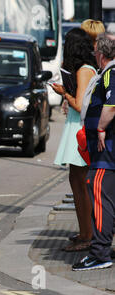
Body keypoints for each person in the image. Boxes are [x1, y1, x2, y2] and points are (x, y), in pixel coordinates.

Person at [50, 28, 97, 251]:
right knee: (75, 181)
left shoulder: (84, 71)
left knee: (81, 183)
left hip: (80, 128)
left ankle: (88, 235)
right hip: (76, 126)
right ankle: (84, 231)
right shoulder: (84, 69)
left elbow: (79, 105)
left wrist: (63, 93)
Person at [73, 32, 115, 271]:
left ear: (101, 54)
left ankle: (100, 254)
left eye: (96, 51)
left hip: (106, 152)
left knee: (99, 197)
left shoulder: (111, 73)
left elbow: (111, 104)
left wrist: (100, 127)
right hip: (105, 151)